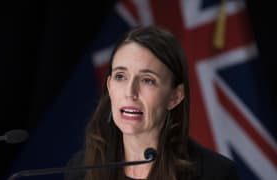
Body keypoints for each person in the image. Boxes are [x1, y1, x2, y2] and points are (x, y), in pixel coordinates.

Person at [65, 25, 240, 180]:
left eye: (147, 80)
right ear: (109, 86)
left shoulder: (217, 174)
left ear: (175, 97)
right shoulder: (80, 170)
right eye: (120, 76)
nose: (130, 92)